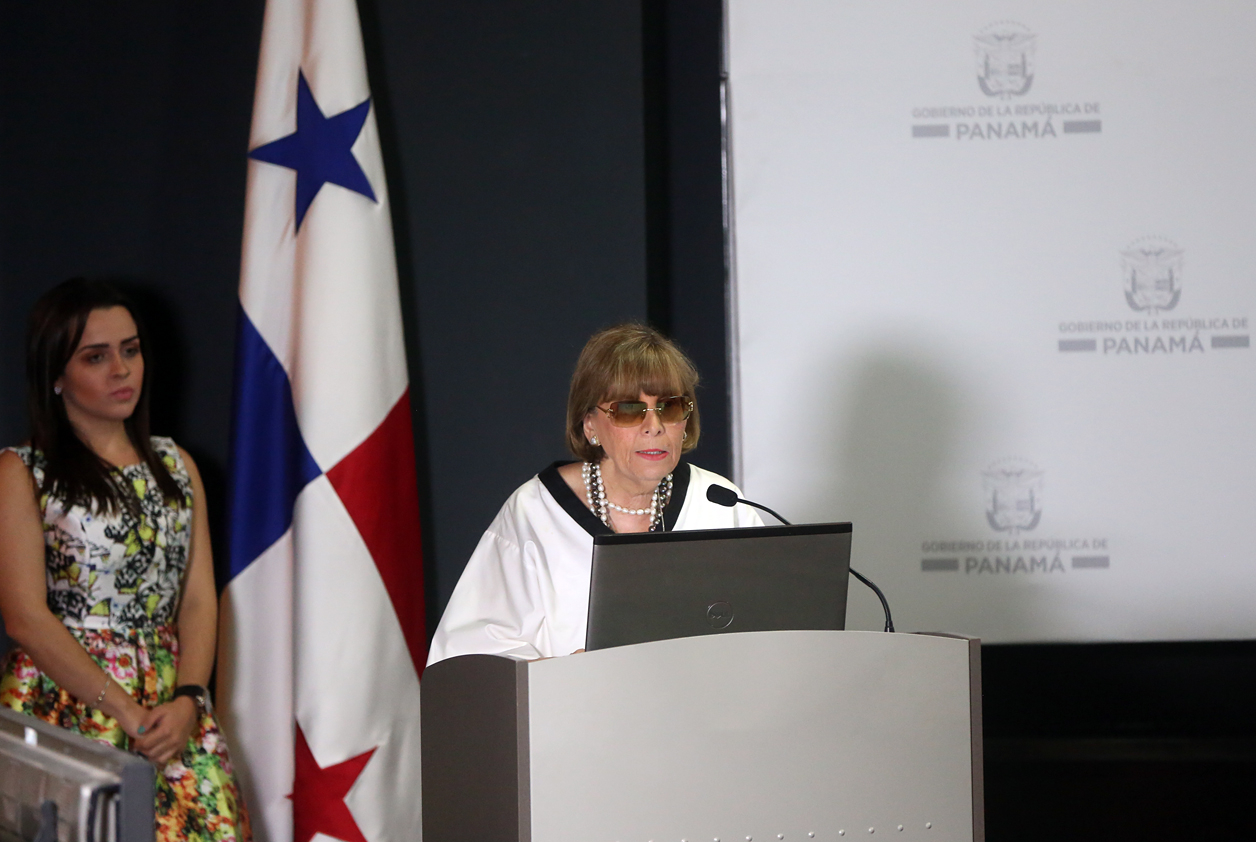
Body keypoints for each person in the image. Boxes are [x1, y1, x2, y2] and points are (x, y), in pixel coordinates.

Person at [0, 279, 250, 842]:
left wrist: (189, 698)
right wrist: (126, 713)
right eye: (96, 356)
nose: (121, 369)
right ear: (56, 374)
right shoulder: (23, 471)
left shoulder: (176, 464)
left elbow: (197, 600)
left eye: (130, 350)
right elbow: (24, 617)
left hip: (172, 709)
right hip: (65, 703)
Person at [428, 323, 763, 664]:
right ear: (590, 424)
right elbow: (469, 657)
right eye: (628, 410)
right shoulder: (535, 513)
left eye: (670, 407)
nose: (654, 426)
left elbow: (772, 629)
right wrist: (563, 673)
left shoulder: (720, 504)